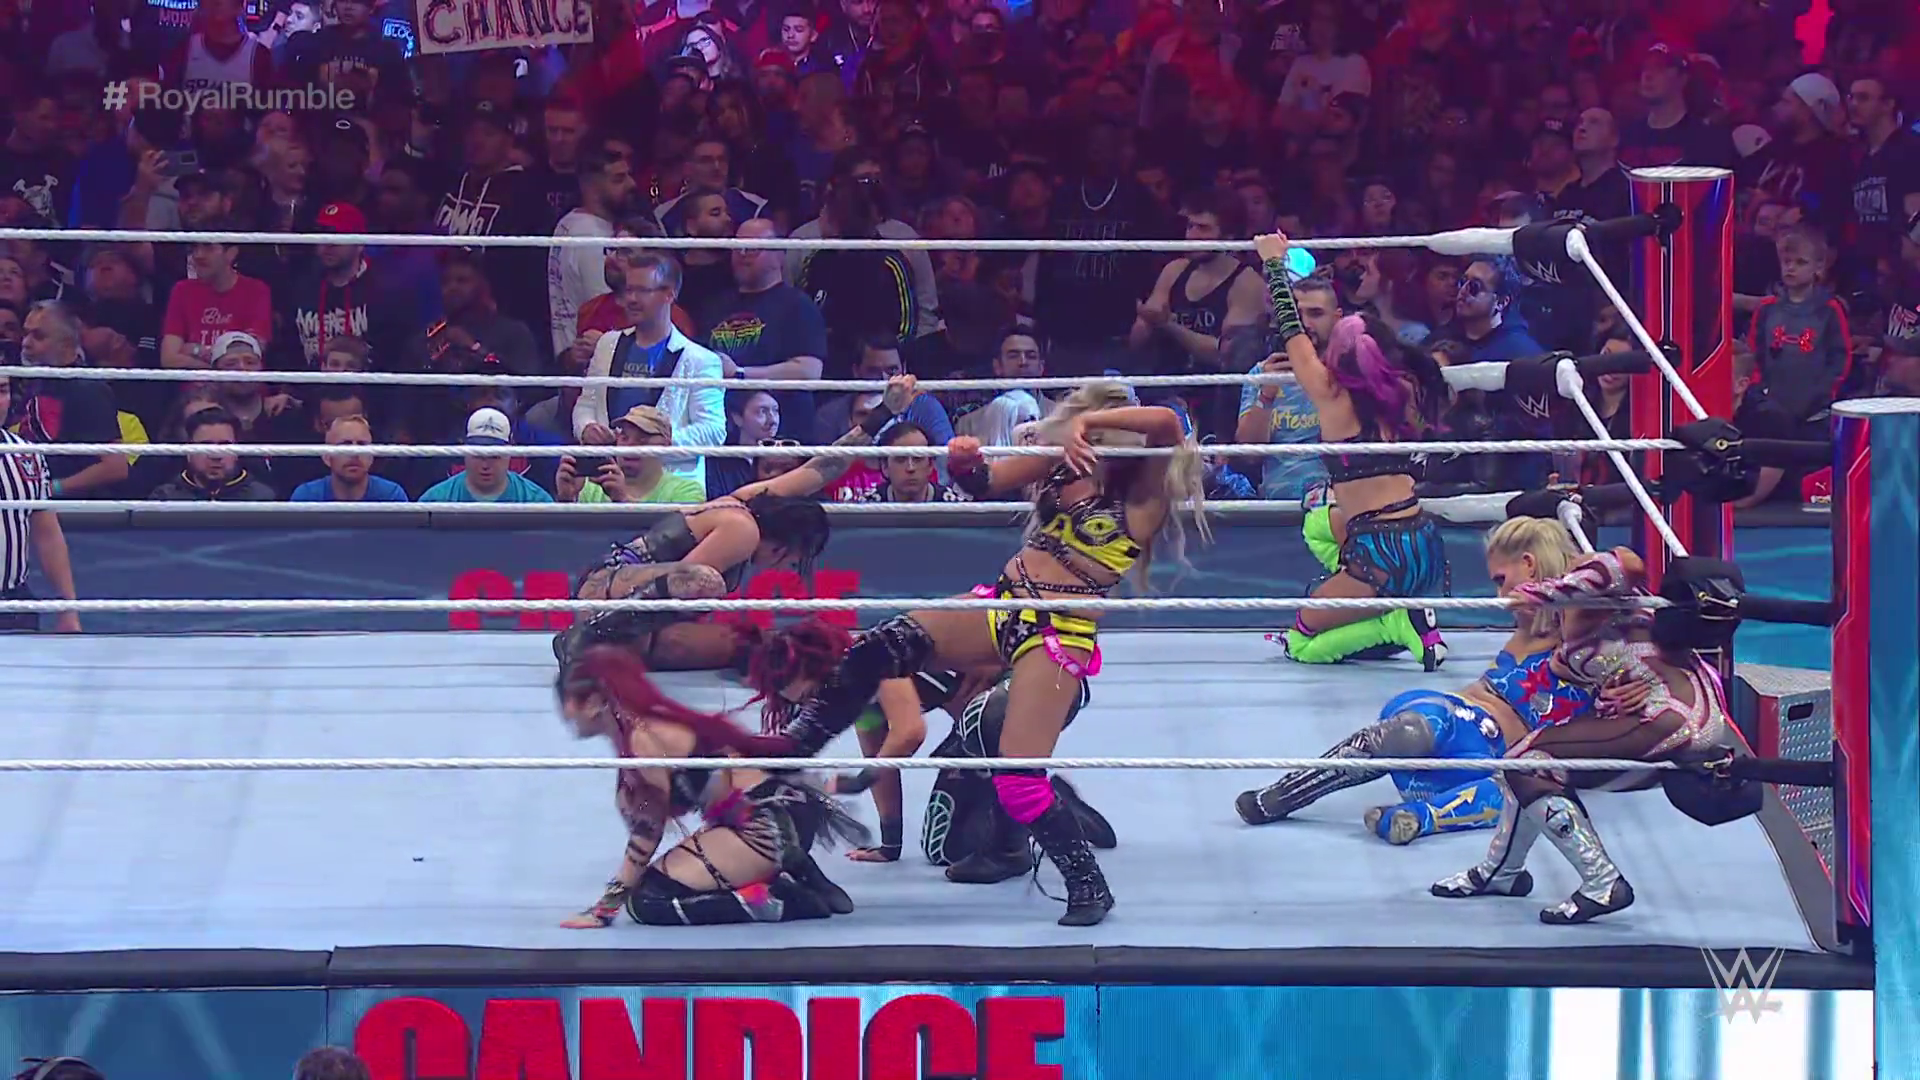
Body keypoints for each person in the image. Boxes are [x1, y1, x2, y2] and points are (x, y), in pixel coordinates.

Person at [679, 383, 1207, 926]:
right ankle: (795, 747)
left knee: (1018, 779)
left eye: (1108, 427)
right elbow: (985, 482)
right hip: (1002, 603)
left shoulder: (1145, 489)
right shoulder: (1063, 465)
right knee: (876, 649)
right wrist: (964, 460)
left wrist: (1086, 425)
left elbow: (1168, 423)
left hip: (1057, 633)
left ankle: (1087, 884)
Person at [1236, 517, 1596, 843]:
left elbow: (1614, 571)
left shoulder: (1586, 630)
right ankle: (1286, 793)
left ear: (1530, 565)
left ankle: (1416, 819)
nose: (1500, 597)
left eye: (1502, 580)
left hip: (1473, 771)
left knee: (1518, 792)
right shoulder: (1533, 624)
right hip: (1448, 725)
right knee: (1421, 727)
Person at [1431, 548, 1740, 924]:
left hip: (1673, 716)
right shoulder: (1565, 639)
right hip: (1682, 715)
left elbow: (1627, 563)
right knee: (1529, 765)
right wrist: (1610, 695)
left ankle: (1602, 881)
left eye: (1502, 581)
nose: (1503, 595)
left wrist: (1551, 591)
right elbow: (1599, 681)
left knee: (1525, 763)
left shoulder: (1601, 595)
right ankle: (1501, 871)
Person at [553, 375, 918, 674]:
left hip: (624, 603)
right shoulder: (743, 528)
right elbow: (680, 587)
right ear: (785, 546)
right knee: (705, 582)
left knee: (747, 643)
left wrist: (885, 412)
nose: (784, 570)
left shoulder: (750, 500)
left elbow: (822, 468)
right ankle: (586, 640)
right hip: (604, 593)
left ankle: (609, 649)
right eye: (792, 562)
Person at [742, 619, 1115, 881]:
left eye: (810, 695)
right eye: (801, 702)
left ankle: (1031, 823)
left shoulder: (871, 659)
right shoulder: (849, 696)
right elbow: (881, 754)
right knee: (947, 849)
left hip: (1038, 688)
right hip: (983, 726)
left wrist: (855, 782)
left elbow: (909, 733)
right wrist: (890, 844)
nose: (812, 708)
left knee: (981, 727)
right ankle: (1056, 805)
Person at [1255, 231, 1453, 670]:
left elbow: (1293, 334)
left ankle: (1396, 623)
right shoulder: (1406, 390)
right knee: (1317, 522)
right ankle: (1387, 609)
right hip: (1422, 538)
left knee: (1301, 639)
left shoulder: (1331, 396)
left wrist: (1273, 264)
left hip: (1382, 551)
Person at [554, 646, 860, 929]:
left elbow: (648, 831)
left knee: (647, 901)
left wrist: (605, 908)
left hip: (765, 828)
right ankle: (800, 870)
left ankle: (783, 899)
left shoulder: (642, 739)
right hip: (774, 814)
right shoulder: (641, 726)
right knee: (662, 882)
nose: (564, 713)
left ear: (592, 703)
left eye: (566, 701)